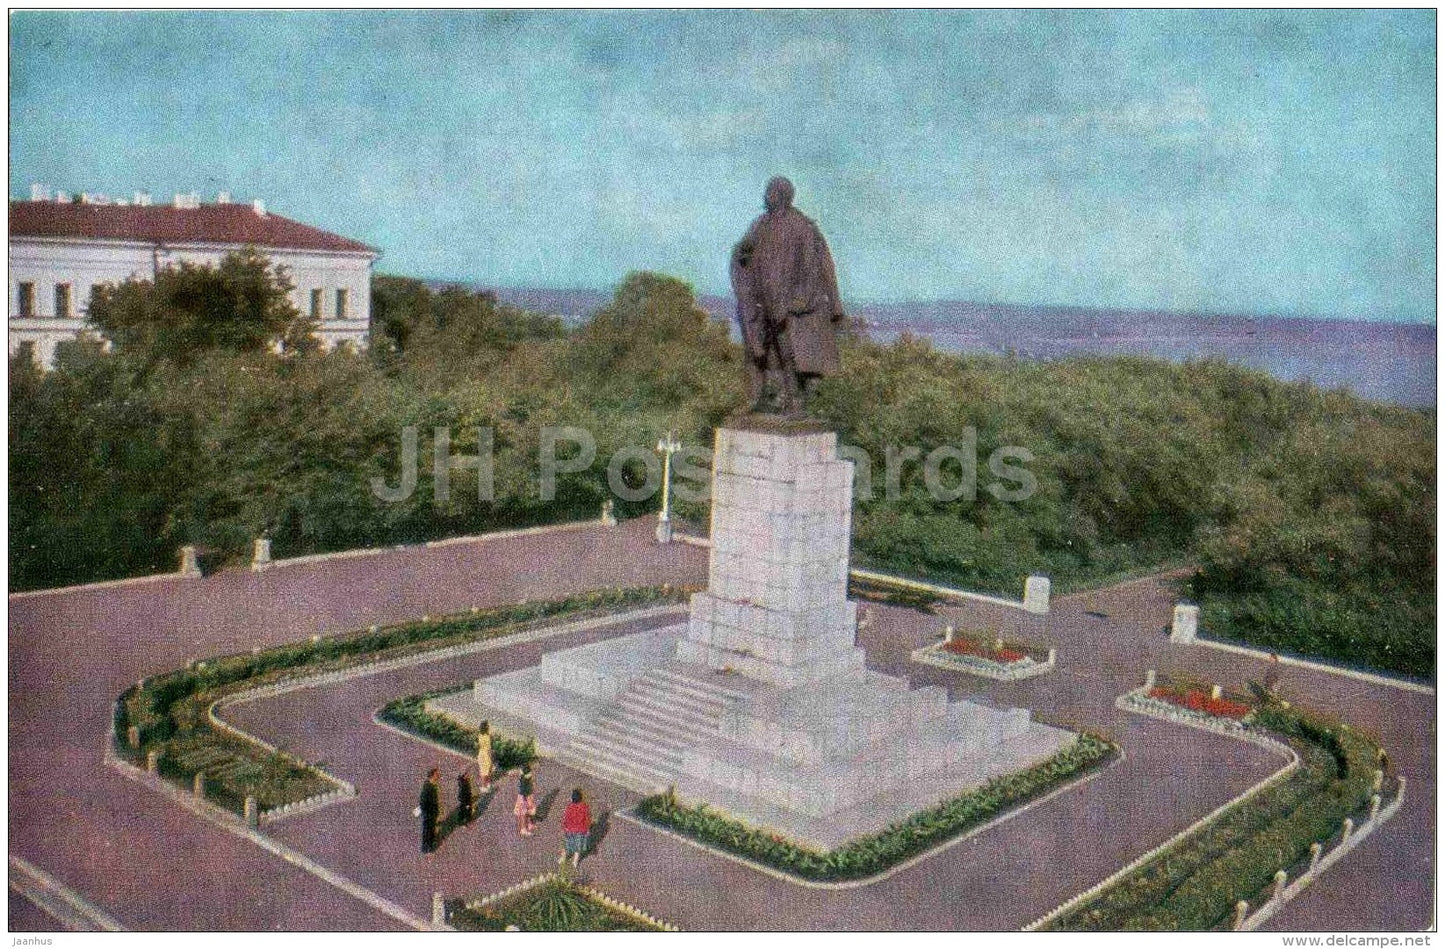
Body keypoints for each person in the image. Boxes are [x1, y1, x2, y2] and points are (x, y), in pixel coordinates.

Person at [731, 176, 847, 416]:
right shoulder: (760, 224)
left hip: (789, 303)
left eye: (772, 191)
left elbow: (814, 265)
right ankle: (755, 398)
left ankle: (795, 402)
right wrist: (742, 252)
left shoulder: (801, 225)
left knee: (788, 353)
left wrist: (800, 300)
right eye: (767, 191)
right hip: (760, 301)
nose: (767, 196)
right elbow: (744, 251)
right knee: (755, 352)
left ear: (784, 195)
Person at [559, 787, 592, 868]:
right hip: (581, 830)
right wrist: (588, 828)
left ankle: (563, 858)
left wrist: (565, 827)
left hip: (570, 829)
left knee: (567, 845)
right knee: (578, 847)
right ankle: (575, 862)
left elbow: (566, 818)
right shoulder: (585, 807)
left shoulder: (569, 807)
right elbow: (587, 819)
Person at [416, 767, 441, 854]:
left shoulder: (433, 784)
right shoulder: (427, 788)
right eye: (437, 773)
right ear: (432, 775)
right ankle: (425, 847)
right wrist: (428, 814)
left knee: (431, 828)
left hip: (433, 813)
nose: (438, 775)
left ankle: (431, 842)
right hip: (429, 814)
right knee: (427, 830)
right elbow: (423, 803)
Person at [513, 764, 537, 837]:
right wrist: (525, 798)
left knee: (529, 810)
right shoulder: (525, 780)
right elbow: (523, 790)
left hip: (527, 796)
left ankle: (529, 824)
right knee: (523, 813)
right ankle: (523, 829)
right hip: (524, 797)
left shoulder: (524, 777)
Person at [476, 722, 493, 793]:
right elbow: (489, 749)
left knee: (484, 771)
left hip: (481, 754)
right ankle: (484, 786)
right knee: (486, 771)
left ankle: (486, 785)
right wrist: (491, 757)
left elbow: (480, 745)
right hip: (486, 755)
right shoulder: (487, 737)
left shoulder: (479, 735)